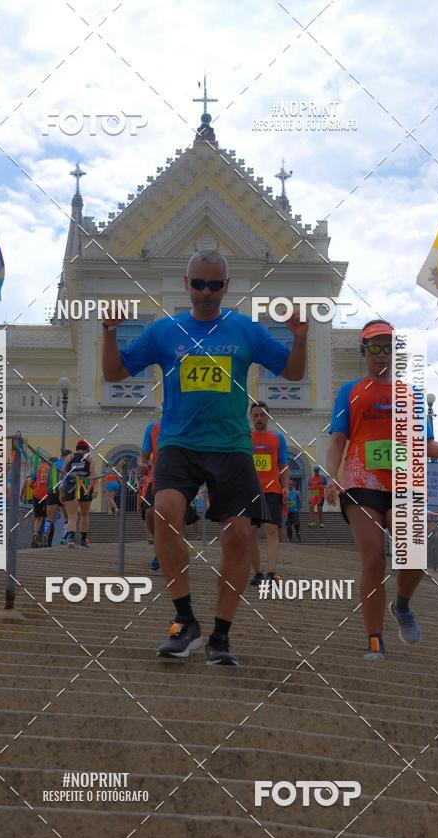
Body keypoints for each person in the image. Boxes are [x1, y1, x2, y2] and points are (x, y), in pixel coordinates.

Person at [102, 249, 308, 666]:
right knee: (163, 512)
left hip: (231, 445)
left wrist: (301, 336)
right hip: (179, 441)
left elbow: (292, 373)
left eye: (215, 285)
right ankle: (185, 620)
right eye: (199, 283)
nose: (207, 292)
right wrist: (108, 331)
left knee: (237, 535)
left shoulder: (245, 329)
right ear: (186, 284)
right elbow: (114, 374)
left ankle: (221, 636)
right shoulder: (164, 331)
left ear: (226, 287)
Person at [325, 320, 438, 662]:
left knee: (414, 553)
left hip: (404, 481)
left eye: (387, 347)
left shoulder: (411, 395)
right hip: (361, 480)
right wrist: (331, 476)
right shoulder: (350, 391)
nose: (381, 353)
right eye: (374, 347)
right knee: (372, 556)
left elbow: (425, 442)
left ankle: (401, 605)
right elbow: (338, 439)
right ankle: (375, 639)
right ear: (364, 351)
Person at [248, 402, 290, 587]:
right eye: (256, 415)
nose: (259, 419)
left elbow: (283, 465)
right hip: (250, 490)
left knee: (271, 529)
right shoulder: (245, 438)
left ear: (268, 416)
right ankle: (257, 572)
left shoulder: (277, 438)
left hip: (272, 489)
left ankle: (271, 572)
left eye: (262, 415)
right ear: (251, 417)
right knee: (249, 532)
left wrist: (286, 486)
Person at [60, 439, 98, 547]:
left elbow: (61, 475)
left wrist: (61, 490)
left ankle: (71, 539)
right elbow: (93, 475)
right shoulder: (89, 457)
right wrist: (95, 490)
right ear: (86, 449)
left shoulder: (69, 457)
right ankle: (83, 540)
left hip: (70, 486)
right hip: (85, 487)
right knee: (84, 515)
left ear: (77, 448)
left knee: (72, 516)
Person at [139, 420, 161, 570]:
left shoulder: (187, 422)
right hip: (157, 478)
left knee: (175, 518)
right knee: (149, 512)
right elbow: (143, 456)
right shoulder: (152, 427)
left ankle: (168, 554)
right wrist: (141, 463)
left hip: (180, 477)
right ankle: (160, 550)